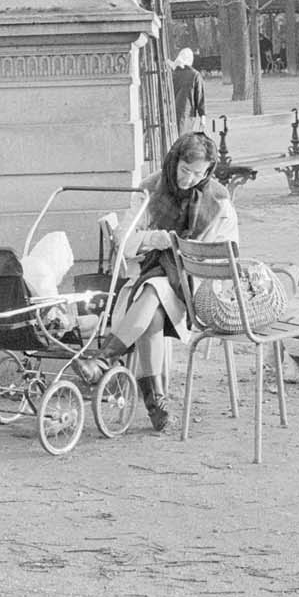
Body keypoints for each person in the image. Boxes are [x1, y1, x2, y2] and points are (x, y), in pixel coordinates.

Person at [97, 132, 238, 432]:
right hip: (146, 275)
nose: (189, 180)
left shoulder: (218, 200)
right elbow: (124, 239)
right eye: (184, 171)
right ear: (173, 162)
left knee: (154, 290)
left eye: (198, 174)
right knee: (154, 300)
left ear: (208, 172)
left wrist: (184, 257)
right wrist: (156, 239)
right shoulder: (151, 189)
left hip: (194, 285)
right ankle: (156, 402)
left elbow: (227, 253)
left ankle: (105, 357)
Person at [171, 48, 205, 136]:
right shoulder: (195, 75)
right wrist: (202, 116)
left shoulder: (172, 74)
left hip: (171, 113)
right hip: (187, 114)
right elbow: (200, 97)